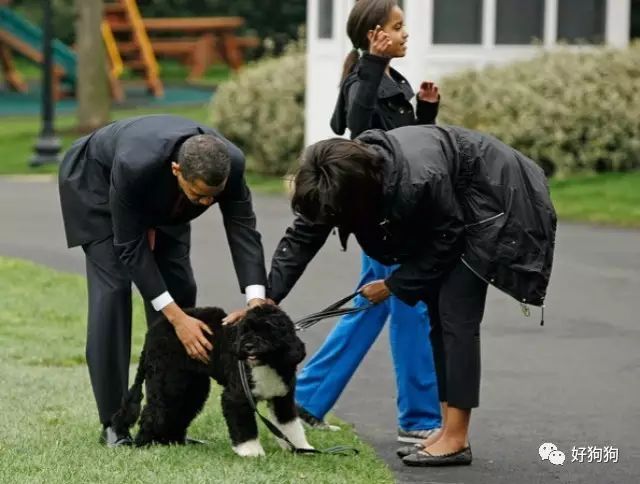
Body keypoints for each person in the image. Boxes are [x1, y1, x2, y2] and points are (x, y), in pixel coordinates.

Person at [266, 124, 557, 466]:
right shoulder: (338, 177)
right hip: (453, 202)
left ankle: (456, 437)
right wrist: (268, 298)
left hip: (493, 197)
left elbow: (447, 238)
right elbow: (304, 236)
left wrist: (392, 285)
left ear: (361, 196)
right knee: (436, 316)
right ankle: (447, 428)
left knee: (456, 319)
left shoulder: (415, 182)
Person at [58, 115, 268, 447]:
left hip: (163, 199)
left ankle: (166, 427)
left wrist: (257, 299)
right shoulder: (133, 164)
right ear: (177, 171)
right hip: (97, 185)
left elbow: (242, 228)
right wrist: (174, 318)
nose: (205, 204)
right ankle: (114, 423)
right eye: (199, 196)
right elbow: (129, 248)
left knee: (182, 289)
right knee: (113, 292)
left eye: (213, 197)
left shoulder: (231, 164)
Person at [294, 0, 443, 443]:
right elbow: (356, 129)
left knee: (368, 307)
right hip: (389, 219)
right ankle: (418, 422)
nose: (405, 34)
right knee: (410, 310)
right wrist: (375, 62)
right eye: (397, 27)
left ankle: (305, 398)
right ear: (376, 34)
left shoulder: (391, 78)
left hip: (393, 210)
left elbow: (410, 142)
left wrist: (428, 111)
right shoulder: (366, 77)